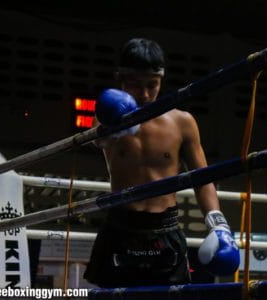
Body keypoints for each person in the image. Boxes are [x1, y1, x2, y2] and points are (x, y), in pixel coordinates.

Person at [83, 38, 239, 288]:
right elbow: (96, 140)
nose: (144, 94)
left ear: (161, 81)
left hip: (164, 230)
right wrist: (113, 128)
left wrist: (217, 222)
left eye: (152, 85)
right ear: (120, 79)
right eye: (135, 84)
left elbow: (203, 177)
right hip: (120, 226)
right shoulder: (107, 119)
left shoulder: (182, 122)